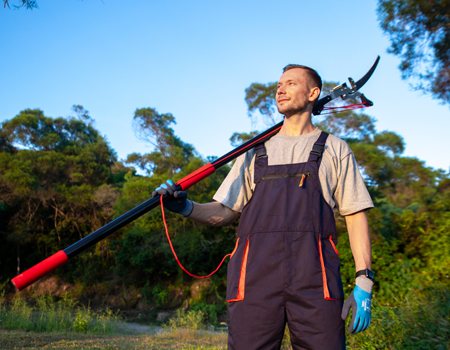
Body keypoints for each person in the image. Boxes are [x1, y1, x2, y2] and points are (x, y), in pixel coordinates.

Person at [152, 64, 374, 350]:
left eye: (291, 83)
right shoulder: (255, 151)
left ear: (313, 93)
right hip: (254, 281)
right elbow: (223, 212)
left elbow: (355, 216)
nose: (280, 89)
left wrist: (364, 281)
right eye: (279, 85)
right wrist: (184, 206)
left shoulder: (335, 148)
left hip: (316, 281)